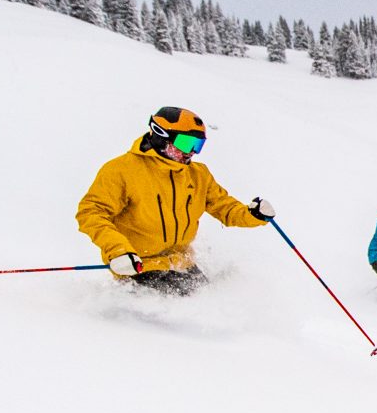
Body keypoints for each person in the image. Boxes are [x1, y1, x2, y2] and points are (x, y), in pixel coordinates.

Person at [75, 105, 276, 294]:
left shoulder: (198, 174)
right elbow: (91, 213)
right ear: (161, 136)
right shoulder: (122, 171)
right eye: (186, 143)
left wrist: (252, 215)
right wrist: (118, 251)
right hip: (139, 265)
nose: (191, 152)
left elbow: (225, 208)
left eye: (198, 145)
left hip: (182, 263)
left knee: (212, 301)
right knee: (184, 320)